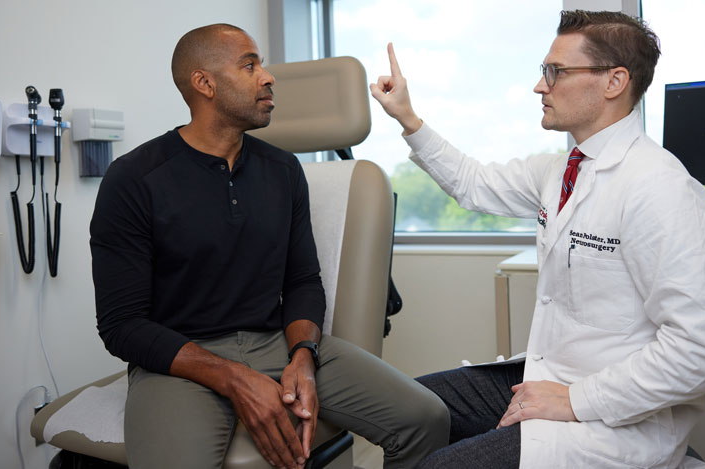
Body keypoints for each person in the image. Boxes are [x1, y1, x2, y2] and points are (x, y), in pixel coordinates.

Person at [370, 9, 705, 469]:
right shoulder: (560, 170)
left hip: (613, 419)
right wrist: (408, 118)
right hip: (550, 376)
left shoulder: (660, 189)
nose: (540, 86)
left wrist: (574, 400)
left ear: (614, 82)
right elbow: (472, 182)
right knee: (405, 408)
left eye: (556, 72)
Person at [90, 23, 448, 469]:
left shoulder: (283, 171)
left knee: (427, 417)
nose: (268, 76)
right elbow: (122, 325)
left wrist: (303, 354)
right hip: (182, 360)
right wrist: (235, 378)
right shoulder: (134, 179)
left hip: (278, 344)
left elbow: (302, 280)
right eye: (250, 65)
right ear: (204, 84)